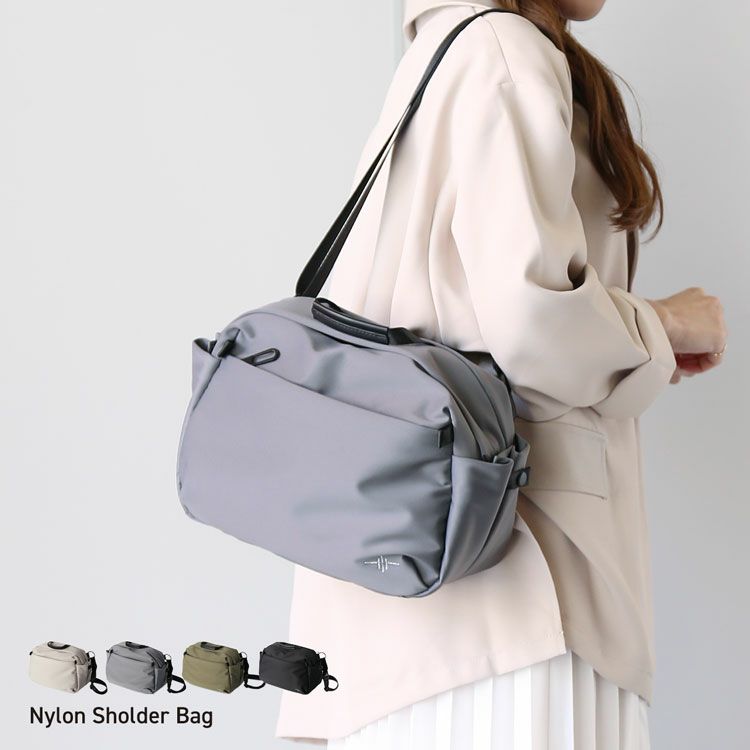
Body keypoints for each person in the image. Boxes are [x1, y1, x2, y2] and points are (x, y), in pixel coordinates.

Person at [275, 1, 728, 747]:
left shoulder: (443, 52)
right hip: (522, 592)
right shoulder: (501, 48)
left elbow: (472, 312)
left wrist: (626, 342)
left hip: (423, 599)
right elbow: (530, 322)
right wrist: (663, 326)